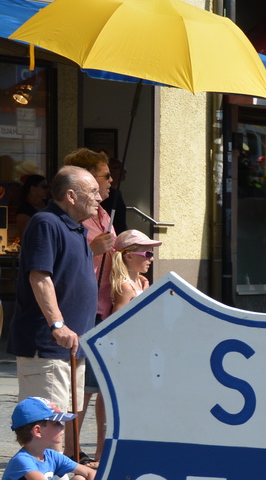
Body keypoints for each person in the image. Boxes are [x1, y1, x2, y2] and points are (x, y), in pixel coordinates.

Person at [8, 167, 100, 450]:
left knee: (60, 432)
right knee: (47, 435)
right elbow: (39, 277)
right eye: (93, 192)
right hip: (48, 347)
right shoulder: (46, 223)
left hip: (71, 349)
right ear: (71, 196)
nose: (99, 198)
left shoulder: (76, 228)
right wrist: (57, 324)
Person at [63, 149, 119, 319]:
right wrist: (92, 249)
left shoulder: (103, 213)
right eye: (106, 175)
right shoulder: (68, 218)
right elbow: (59, 263)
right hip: (80, 309)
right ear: (88, 179)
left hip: (106, 307)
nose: (111, 180)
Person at [107, 229, 158, 314]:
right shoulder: (126, 288)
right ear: (129, 257)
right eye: (148, 254)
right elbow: (117, 322)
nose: (152, 259)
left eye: (152, 254)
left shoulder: (139, 281)